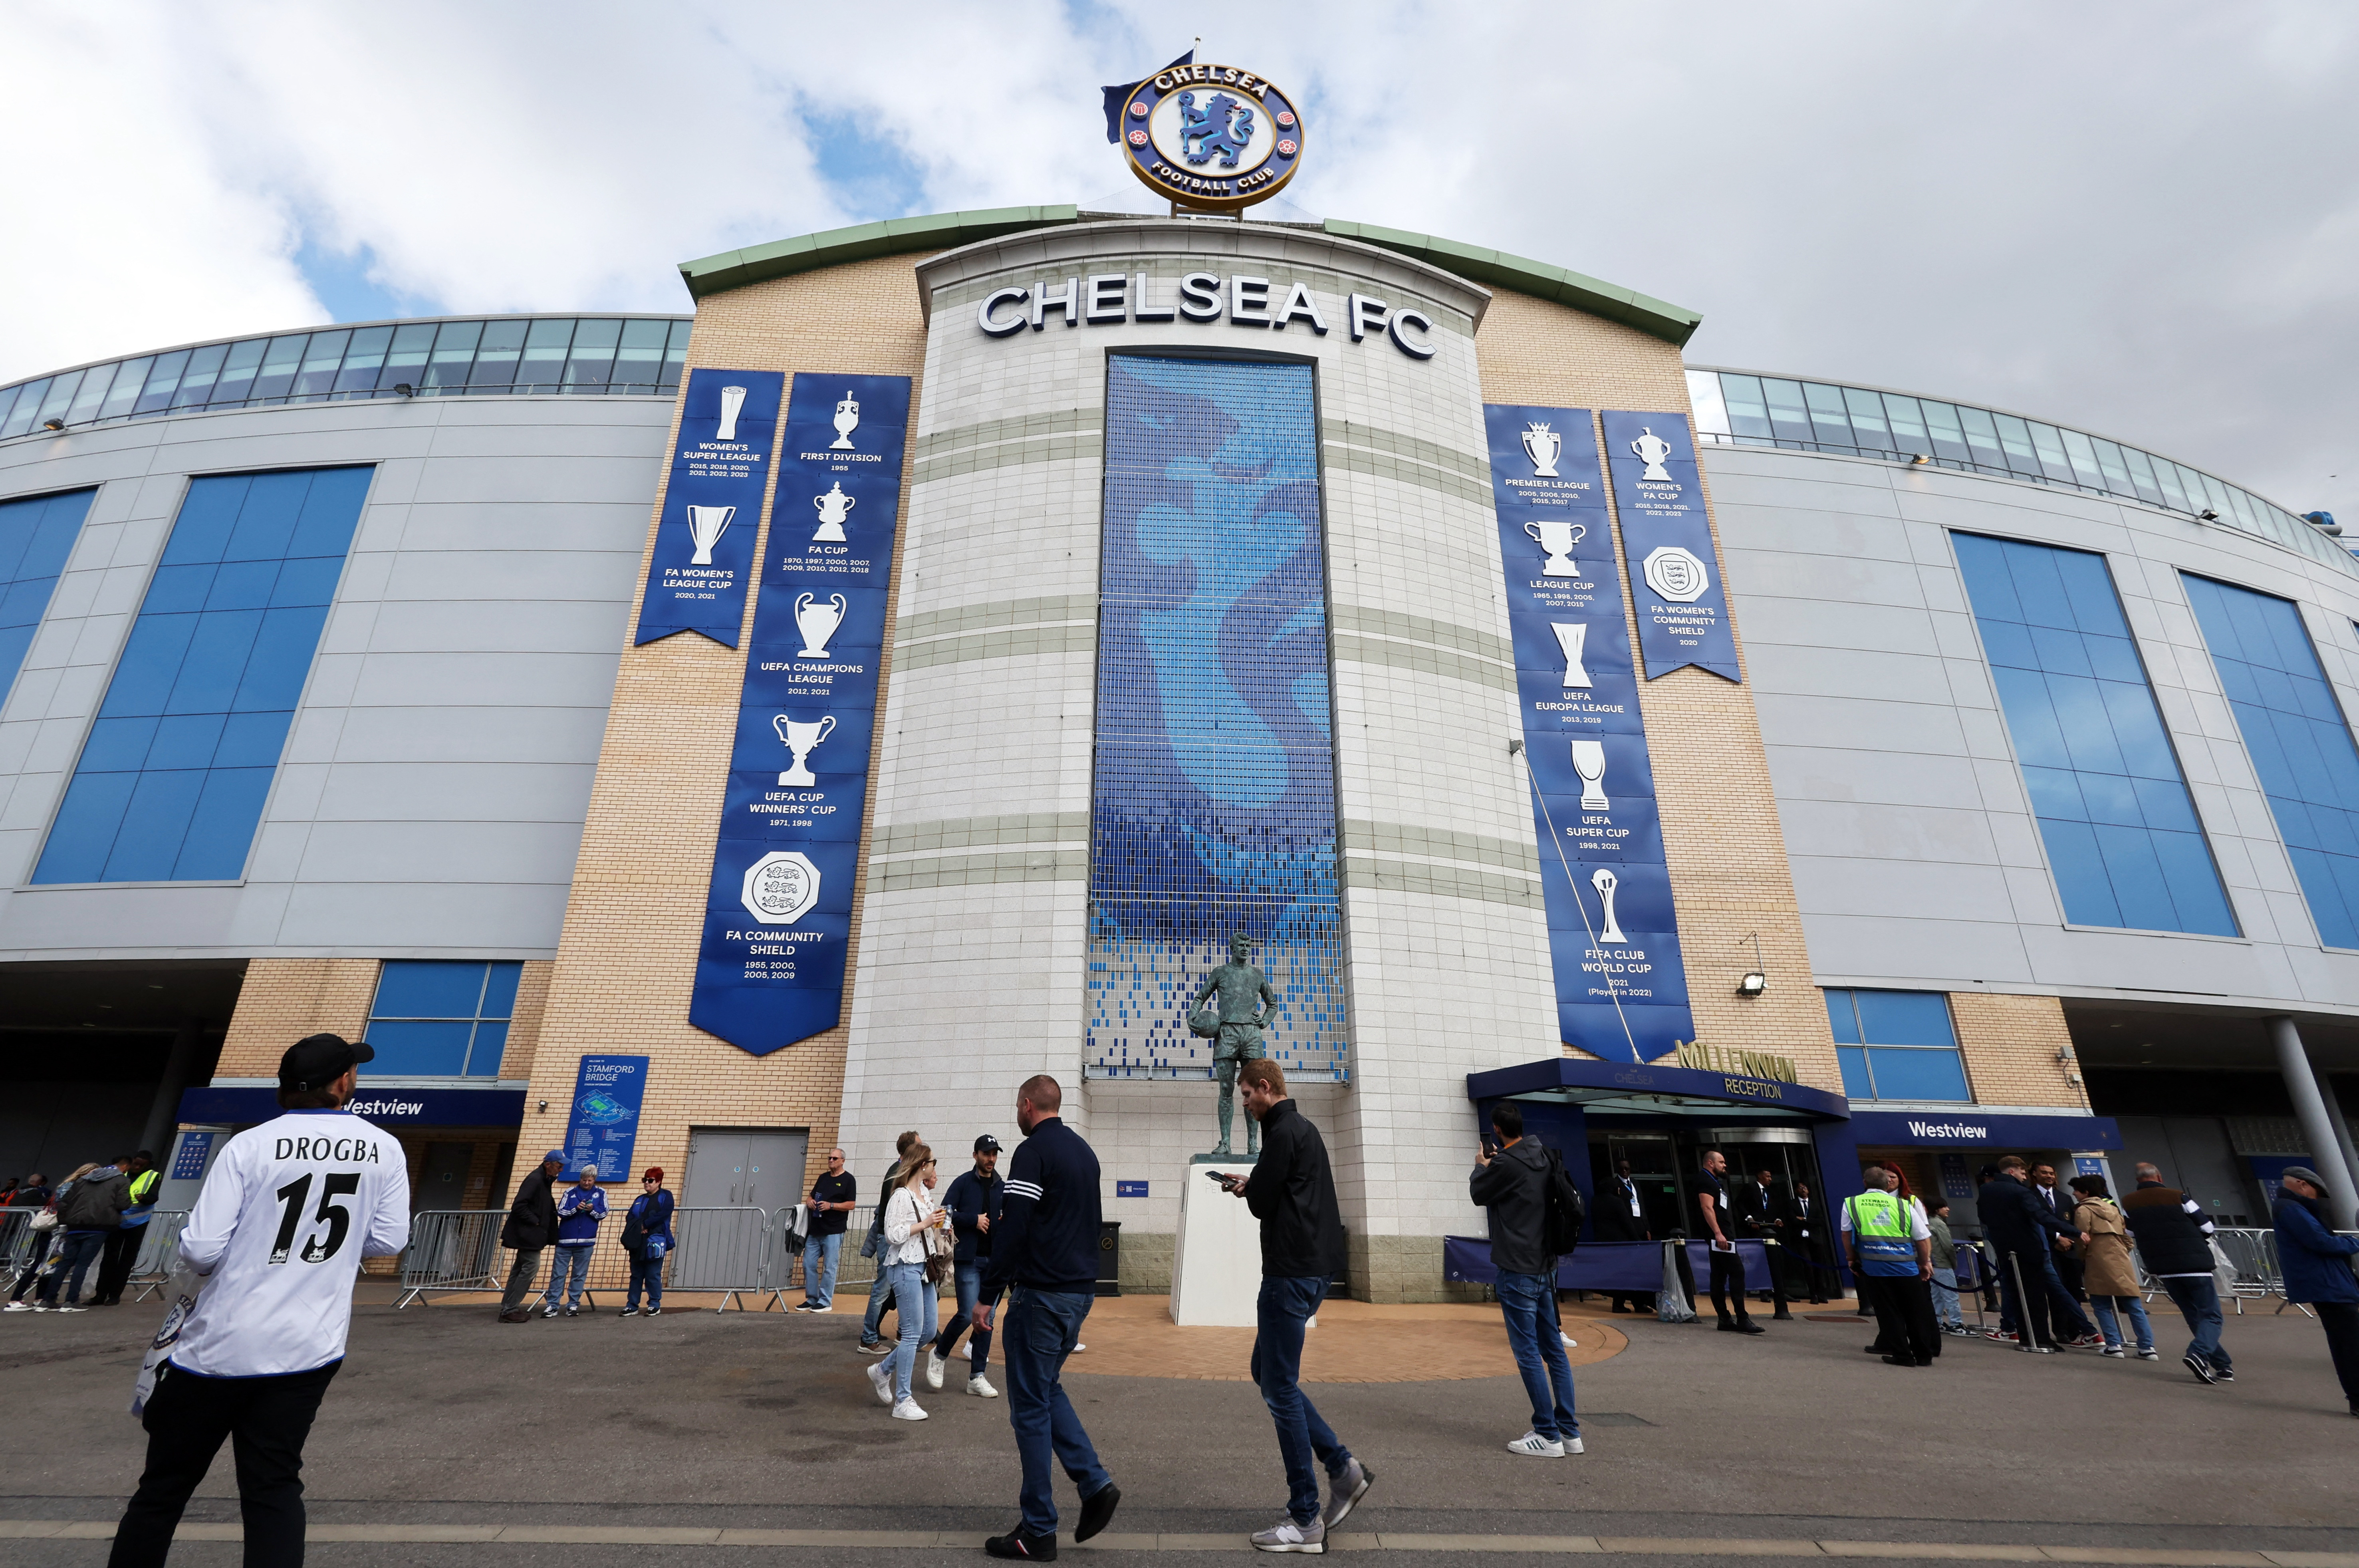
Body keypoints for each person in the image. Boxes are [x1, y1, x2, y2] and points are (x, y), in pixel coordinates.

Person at [107, 1032, 410, 1568]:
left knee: (163, 1489)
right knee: (273, 1488)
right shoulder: (383, 1146)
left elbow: (200, 1247)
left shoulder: (248, 1144)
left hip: (218, 1344)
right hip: (307, 1346)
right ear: (342, 1082)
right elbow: (388, 1239)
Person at [1211, 1059, 1369, 1552]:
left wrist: (1251, 1189)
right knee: (1268, 1371)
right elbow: (1279, 1192)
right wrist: (1252, 1183)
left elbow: (1263, 1203)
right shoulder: (1304, 1129)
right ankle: (1343, 1468)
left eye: (1247, 1093)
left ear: (1265, 1086)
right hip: (1313, 1268)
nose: (1244, 1102)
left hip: (1289, 1272)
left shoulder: (1280, 1132)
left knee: (1279, 1386)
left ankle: (1305, 1518)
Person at [974, 1075, 1120, 1561]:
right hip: (1079, 1293)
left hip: (1041, 1296)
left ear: (1028, 1104)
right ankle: (1094, 1482)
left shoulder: (1033, 1151)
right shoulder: (1085, 1152)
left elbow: (1015, 1225)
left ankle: (1038, 1529)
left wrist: (987, 1294)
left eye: (1018, 1105)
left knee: (1030, 1408)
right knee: (1046, 1388)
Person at [1471, 1100, 1582, 1461]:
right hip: (1546, 1264)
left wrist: (1480, 1167)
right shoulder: (1545, 1155)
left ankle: (1547, 1434)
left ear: (1498, 1131)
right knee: (1553, 1349)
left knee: (1528, 1353)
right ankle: (1569, 1432)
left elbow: (1478, 1194)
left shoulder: (1505, 1162)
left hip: (1517, 1266)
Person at [2121, 1162, 2232, 1384]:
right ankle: (2198, 1353)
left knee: (2192, 1315)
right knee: (2211, 1315)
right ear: (2159, 1177)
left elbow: (2130, 1231)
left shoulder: (2128, 1203)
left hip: (2164, 1268)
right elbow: (2207, 1228)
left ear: (2137, 1180)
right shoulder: (2178, 1196)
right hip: (2195, 1264)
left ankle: (2223, 1366)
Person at [1976, 1155, 2091, 1352]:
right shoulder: (2021, 1192)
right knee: (2035, 1297)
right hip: (2029, 1249)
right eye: (2022, 1172)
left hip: (2004, 1249)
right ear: (2012, 1171)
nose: (2024, 1176)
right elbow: (2041, 1217)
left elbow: (1983, 1216)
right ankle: (2041, 1338)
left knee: (2017, 1294)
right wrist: (2075, 1232)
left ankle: (2026, 1336)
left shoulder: (1986, 1190)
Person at [865, 1144, 946, 1420]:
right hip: (904, 1267)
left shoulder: (923, 1193)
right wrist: (925, 1224)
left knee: (927, 1332)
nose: (935, 1166)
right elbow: (892, 1234)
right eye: (933, 1162)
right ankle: (903, 1400)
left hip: (923, 1267)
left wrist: (939, 1223)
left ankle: (882, 1371)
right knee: (912, 1333)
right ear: (923, 1165)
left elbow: (926, 1227)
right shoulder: (900, 1195)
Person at [2268, 1167, 2359, 1416]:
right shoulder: (2291, 1209)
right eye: (2316, 1193)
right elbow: (2321, 1242)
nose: (2316, 1199)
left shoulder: (2290, 1208)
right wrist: (2354, 1243)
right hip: (2327, 1285)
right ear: (2302, 1185)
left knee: (2346, 1343)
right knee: (2350, 1344)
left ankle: (2356, 1398)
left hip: (2326, 1284)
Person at [930, 1134, 1004, 1398]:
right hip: (969, 1261)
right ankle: (938, 1356)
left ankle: (977, 1377)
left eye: (994, 1154)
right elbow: (943, 1217)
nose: (991, 1159)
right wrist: (973, 1220)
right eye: (986, 1154)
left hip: (993, 1264)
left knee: (987, 1319)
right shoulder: (963, 1183)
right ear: (976, 1156)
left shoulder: (1001, 1187)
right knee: (965, 1315)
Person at [1843, 1166, 1938, 1367]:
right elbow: (1922, 1238)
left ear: (1865, 1183)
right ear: (1887, 1184)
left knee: (1889, 1313)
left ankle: (1903, 1355)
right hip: (1906, 1268)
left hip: (1875, 1269)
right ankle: (1924, 1355)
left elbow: (1846, 1234)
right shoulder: (1903, 1205)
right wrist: (1925, 1263)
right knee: (1916, 1312)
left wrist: (1851, 1259)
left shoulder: (1852, 1203)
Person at [2066, 1175, 2152, 1360]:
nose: (2074, 1193)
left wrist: (2082, 1257)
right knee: (2133, 1305)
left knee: (2101, 1305)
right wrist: (2123, 1251)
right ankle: (2147, 1347)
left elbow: (2082, 1238)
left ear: (2086, 1192)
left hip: (2097, 1259)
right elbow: (2126, 1236)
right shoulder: (2113, 1208)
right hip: (2120, 1259)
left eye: (2077, 1190)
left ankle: (2114, 1345)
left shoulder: (2083, 1210)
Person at [38, 1152, 131, 1311]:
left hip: (74, 1226)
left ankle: (48, 1301)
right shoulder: (122, 1180)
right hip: (99, 1226)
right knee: (82, 1264)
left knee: (64, 1263)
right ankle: (71, 1301)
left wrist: (66, 1221)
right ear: (125, 1167)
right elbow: (123, 1204)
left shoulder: (83, 1180)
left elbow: (64, 1203)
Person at [857, 1129, 922, 1354]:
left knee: (893, 1288)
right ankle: (868, 1338)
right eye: (919, 1146)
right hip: (890, 1240)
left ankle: (897, 1333)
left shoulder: (899, 1171)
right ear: (910, 1150)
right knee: (882, 1289)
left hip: (891, 1238)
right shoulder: (898, 1174)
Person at [1694, 1150, 1762, 1334]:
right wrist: (1718, 1233)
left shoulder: (1715, 1181)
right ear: (1710, 1163)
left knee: (1718, 1276)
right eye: (1722, 1162)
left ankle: (1724, 1319)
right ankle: (1742, 1318)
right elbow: (1707, 1208)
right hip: (1720, 1237)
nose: (1725, 1166)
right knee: (1737, 1272)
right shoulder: (1705, 1180)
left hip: (1722, 1235)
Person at [2030, 1162, 2096, 1343]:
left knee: (2074, 1289)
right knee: (2056, 1291)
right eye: (2044, 1173)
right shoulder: (2030, 1196)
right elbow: (2037, 1221)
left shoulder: (2064, 1198)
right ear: (2035, 1174)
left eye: (2052, 1173)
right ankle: (2061, 1330)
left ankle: (2076, 1330)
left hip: (2070, 1251)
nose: (2049, 1176)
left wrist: (2070, 1240)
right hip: (2049, 1249)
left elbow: (2073, 1224)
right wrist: (2058, 1238)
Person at [497, 1151, 565, 1324]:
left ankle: (508, 1306)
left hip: (530, 1235)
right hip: (528, 1235)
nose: (561, 1169)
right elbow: (519, 1205)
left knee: (519, 1268)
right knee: (531, 1266)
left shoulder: (544, 1180)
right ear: (548, 1164)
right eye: (559, 1166)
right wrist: (536, 1222)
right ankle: (510, 1309)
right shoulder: (535, 1180)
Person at [6, 1167, 85, 1311]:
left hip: (52, 1229)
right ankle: (15, 1299)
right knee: (41, 1265)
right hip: (55, 1230)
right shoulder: (72, 1189)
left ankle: (38, 1298)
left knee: (47, 1266)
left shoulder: (65, 1186)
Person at [92, 1151, 159, 1307]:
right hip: (116, 1221)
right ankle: (100, 1295)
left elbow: (154, 1197)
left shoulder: (153, 1176)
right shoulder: (121, 1173)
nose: (136, 1167)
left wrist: (144, 1198)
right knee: (109, 1258)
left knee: (126, 1260)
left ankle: (115, 1296)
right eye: (135, 1163)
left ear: (148, 1165)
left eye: (141, 1165)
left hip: (138, 1222)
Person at [541, 1164, 606, 1318]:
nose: (587, 1183)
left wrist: (592, 1211)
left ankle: (573, 1305)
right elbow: (561, 1212)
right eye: (584, 1180)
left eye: (590, 1180)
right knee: (558, 1274)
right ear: (580, 1179)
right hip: (565, 1241)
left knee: (579, 1274)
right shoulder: (570, 1192)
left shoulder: (601, 1193)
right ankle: (552, 1305)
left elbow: (604, 1213)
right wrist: (576, 1209)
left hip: (586, 1241)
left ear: (594, 1180)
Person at [796, 1147, 856, 1312]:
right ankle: (812, 1298)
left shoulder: (849, 1180)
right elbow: (811, 1196)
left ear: (843, 1161)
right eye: (830, 1158)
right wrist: (809, 1202)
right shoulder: (823, 1178)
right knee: (808, 1263)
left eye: (835, 1159)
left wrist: (831, 1206)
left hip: (834, 1230)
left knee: (830, 1266)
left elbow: (851, 1204)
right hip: (816, 1229)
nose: (831, 1161)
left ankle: (825, 1301)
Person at [1592, 1158, 1655, 1314]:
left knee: (1633, 1271)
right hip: (1626, 1236)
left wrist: (1646, 1228)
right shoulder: (1615, 1188)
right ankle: (1623, 1303)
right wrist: (1635, 1239)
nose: (1625, 1171)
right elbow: (1623, 1219)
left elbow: (1641, 1206)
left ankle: (1638, 1303)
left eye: (1627, 1168)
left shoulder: (1635, 1184)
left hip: (1636, 1230)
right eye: (1622, 1169)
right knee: (1627, 1271)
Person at [1734, 1167, 1794, 1321]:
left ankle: (1779, 1290)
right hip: (1755, 1228)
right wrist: (1749, 1218)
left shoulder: (1770, 1192)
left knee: (1775, 1260)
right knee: (1760, 1260)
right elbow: (1740, 1204)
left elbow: (1773, 1209)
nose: (1770, 1179)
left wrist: (1777, 1220)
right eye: (1768, 1176)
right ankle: (1763, 1291)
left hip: (1770, 1229)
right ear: (1760, 1176)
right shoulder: (1751, 1188)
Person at [619, 1167, 674, 1318]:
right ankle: (632, 1305)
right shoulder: (640, 1199)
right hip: (638, 1241)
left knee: (653, 1274)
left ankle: (654, 1304)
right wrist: (639, 1227)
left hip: (656, 1240)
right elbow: (630, 1216)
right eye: (645, 1180)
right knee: (636, 1275)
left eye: (650, 1181)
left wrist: (646, 1224)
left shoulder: (666, 1196)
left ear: (659, 1182)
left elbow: (664, 1213)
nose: (647, 1184)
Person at [1926, 1197, 1967, 1336]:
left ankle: (1936, 1322)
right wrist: (1954, 1263)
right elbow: (1948, 1246)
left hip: (1932, 1264)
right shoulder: (1939, 1224)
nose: (1947, 1209)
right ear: (1937, 1209)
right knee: (1951, 1296)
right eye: (1944, 1207)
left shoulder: (1927, 1223)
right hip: (1943, 1264)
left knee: (1936, 1296)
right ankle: (1957, 1324)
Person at [1788, 1181, 1833, 1304]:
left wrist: (1805, 1219)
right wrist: (1806, 1221)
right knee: (1808, 1266)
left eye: (1805, 1188)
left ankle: (1822, 1294)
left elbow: (1821, 1221)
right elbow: (1793, 1221)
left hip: (1816, 1239)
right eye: (1800, 1188)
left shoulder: (1815, 1204)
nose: (1803, 1190)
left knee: (1819, 1266)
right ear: (1796, 1191)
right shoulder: (1792, 1204)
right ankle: (1812, 1294)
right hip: (1801, 1239)